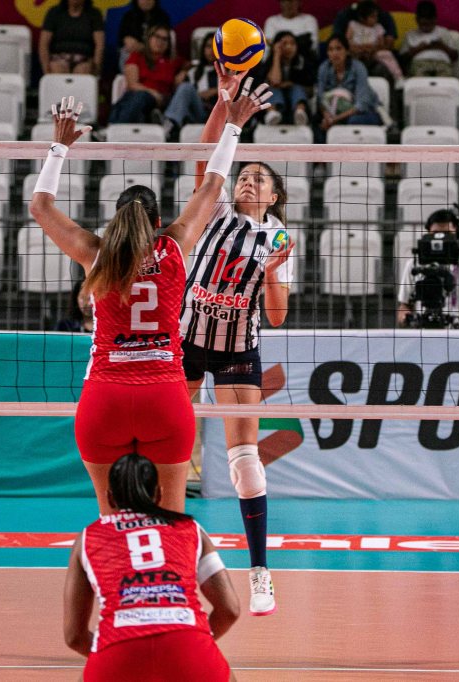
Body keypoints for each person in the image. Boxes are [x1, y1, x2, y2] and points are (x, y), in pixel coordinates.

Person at [30, 87, 269, 514]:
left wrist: (59, 146)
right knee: (172, 520)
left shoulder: (96, 253)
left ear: (116, 219)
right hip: (164, 395)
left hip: (105, 396)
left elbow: (40, 207)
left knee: (111, 524)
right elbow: (213, 184)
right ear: (158, 221)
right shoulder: (174, 245)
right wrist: (234, 124)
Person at [185, 68, 296, 616]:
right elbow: (206, 156)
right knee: (165, 447)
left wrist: (273, 274)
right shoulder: (216, 209)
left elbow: (276, 315)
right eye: (244, 174)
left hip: (236, 350)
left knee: (245, 460)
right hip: (187, 339)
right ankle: (170, 559)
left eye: (259, 178)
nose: (248, 181)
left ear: (274, 196)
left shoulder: (280, 238)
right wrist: (224, 102)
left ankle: (259, 572)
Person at [63, 453, 240, 681]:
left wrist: (114, 654)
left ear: (109, 498)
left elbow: (74, 637)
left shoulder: (88, 538)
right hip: (186, 643)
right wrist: (193, 641)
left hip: (117, 649)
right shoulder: (190, 529)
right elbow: (230, 609)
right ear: (159, 494)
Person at [396, 209, 459, 330]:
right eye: (435, 233)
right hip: (424, 333)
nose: (441, 239)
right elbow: (404, 305)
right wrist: (405, 319)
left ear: (457, 234)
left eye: (447, 233)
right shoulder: (413, 264)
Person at [110, 24, 187, 124]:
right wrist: (152, 93)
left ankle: (115, 127)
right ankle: (116, 127)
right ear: (149, 38)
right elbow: (132, 85)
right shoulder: (137, 56)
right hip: (140, 95)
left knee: (136, 101)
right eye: (157, 37)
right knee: (136, 99)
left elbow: (192, 64)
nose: (160, 42)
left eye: (165, 39)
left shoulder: (172, 61)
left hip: (163, 101)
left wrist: (183, 72)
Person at [316, 34, 383, 130]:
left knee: (353, 121)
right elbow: (320, 97)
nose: (335, 53)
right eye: (330, 50)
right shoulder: (324, 68)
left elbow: (361, 105)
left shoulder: (358, 68)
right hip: (335, 112)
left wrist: (335, 120)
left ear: (347, 51)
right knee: (316, 121)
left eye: (338, 49)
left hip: (366, 112)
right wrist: (326, 116)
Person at [162, 32, 219, 140]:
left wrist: (215, 90)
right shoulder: (193, 71)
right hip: (197, 112)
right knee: (186, 88)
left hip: (216, 114)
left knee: (187, 88)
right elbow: (181, 96)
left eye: (215, 47)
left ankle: (170, 123)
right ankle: (170, 125)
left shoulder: (227, 72)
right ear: (203, 49)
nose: (211, 50)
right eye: (208, 46)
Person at [262, 31, 315, 126]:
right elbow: (275, 81)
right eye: (284, 44)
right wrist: (277, 55)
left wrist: (291, 84)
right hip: (278, 102)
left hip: (295, 100)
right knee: (272, 89)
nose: (289, 47)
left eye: (292, 43)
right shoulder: (270, 62)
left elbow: (310, 89)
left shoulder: (302, 62)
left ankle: (300, 113)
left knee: (297, 88)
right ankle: (272, 113)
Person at [39, 0, 105, 76]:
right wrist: (46, 72)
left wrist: (96, 69)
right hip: (59, 58)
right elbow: (43, 44)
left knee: (83, 71)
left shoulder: (94, 14)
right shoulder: (54, 13)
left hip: (84, 59)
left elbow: (99, 44)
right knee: (57, 69)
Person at [347, 0, 405, 86]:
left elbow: (381, 44)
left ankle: (398, 77)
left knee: (386, 54)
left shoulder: (378, 27)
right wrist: (360, 48)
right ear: (362, 18)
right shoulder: (353, 25)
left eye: (376, 16)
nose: (376, 19)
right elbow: (348, 40)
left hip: (373, 53)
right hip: (356, 52)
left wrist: (372, 48)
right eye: (372, 17)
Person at [400, 1, 459, 78]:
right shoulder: (410, 35)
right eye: (423, 24)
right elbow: (402, 60)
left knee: (445, 80)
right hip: (419, 63)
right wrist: (417, 49)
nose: (426, 27)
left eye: (429, 24)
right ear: (417, 20)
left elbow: (455, 56)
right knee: (420, 80)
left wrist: (442, 46)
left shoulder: (444, 32)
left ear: (435, 19)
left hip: (442, 63)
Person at [117, 0, 172, 68]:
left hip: (155, 55)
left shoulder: (163, 17)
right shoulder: (128, 16)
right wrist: (127, 41)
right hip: (133, 54)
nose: (146, 1)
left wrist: (143, 47)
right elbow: (123, 41)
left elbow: (165, 43)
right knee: (126, 52)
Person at [333, 0, 397, 46]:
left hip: (377, 52)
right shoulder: (345, 14)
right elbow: (338, 39)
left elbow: (390, 40)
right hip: (351, 52)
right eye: (372, 16)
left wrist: (375, 49)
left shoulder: (383, 15)